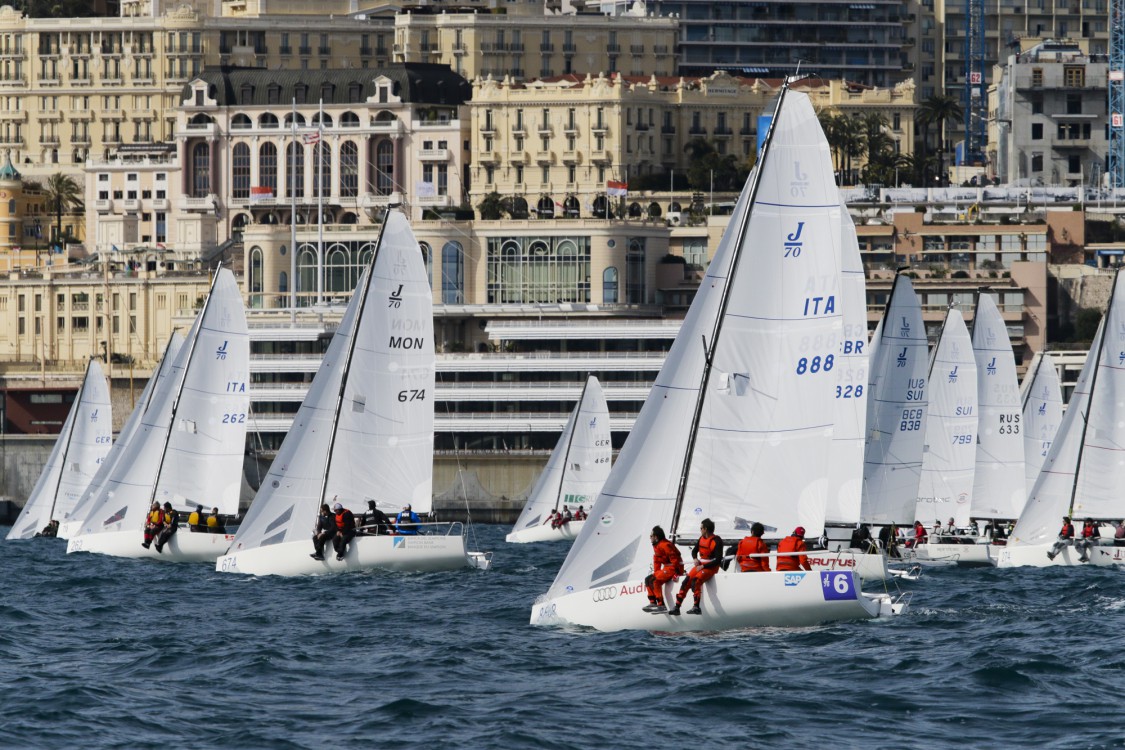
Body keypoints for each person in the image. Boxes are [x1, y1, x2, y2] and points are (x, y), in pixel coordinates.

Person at [669, 518, 723, 616]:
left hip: (711, 567)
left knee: (696, 581)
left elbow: (718, 560)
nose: (700, 530)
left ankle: (696, 607)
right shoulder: (701, 538)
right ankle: (677, 608)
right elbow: (694, 551)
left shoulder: (717, 541)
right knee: (686, 581)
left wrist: (703, 566)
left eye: (701, 528)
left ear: (705, 529)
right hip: (701, 565)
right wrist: (695, 558)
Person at [642, 526, 684, 614]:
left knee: (655, 581)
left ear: (656, 537)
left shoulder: (665, 545)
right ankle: (653, 602)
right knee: (648, 579)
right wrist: (656, 573)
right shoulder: (656, 546)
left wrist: (677, 573)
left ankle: (661, 605)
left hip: (674, 568)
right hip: (667, 568)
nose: (650, 538)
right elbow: (657, 561)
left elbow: (674, 558)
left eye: (651, 536)